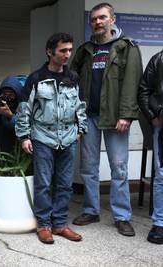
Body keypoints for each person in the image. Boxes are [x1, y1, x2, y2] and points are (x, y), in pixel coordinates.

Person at [70, 2, 143, 236]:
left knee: (119, 168)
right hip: (89, 116)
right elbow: (72, 79)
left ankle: (121, 216)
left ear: (112, 19)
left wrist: (127, 114)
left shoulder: (126, 47)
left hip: (115, 117)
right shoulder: (85, 49)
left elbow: (133, 82)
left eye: (102, 18)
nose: (98, 22)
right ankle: (91, 210)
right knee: (88, 168)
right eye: (93, 19)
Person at [15, 32, 87, 244]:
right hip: (42, 137)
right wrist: (24, 136)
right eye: (62, 50)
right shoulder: (36, 78)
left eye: (69, 50)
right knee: (44, 184)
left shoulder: (73, 78)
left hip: (68, 138)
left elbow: (80, 106)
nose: (67, 54)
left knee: (65, 184)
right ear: (49, 52)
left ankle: (60, 224)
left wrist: (80, 130)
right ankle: (44, 225)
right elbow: (24, 109)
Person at [138, 49, 163, 244]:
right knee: (161, 175)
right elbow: (143, 90)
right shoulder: (158, 59)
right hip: (162, 124)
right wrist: (152, 116)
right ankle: (160, 224)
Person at [0, 75, 25, 154]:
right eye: (5, 94)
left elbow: (25, 127)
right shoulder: (0, 103)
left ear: (17, 94)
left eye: (10, 94)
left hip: (19, 150)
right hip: (1, 147)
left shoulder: (23, 105)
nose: (7, 97)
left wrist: (10, 116)